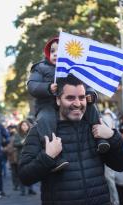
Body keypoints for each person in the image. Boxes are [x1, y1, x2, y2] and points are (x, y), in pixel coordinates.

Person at [19, 74, 123, 205]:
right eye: (70, 98)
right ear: (58, 100)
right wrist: (47, 157)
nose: (77, 103)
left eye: (81, 97)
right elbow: (24, 177)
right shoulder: (41, 130)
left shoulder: (95, 126)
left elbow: (120, 165)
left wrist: (112, 136)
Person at [27, 36, 110, 172]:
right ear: (47, 53)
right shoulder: (40, 68)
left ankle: (100, 138)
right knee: (45, 119)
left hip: (70, 104)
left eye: (59, 51)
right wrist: (48, 88)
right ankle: (56, 156)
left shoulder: (74, 67)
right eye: (52, 51)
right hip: (47, 104)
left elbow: (85, 84)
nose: (55, 54)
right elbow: (32, 86)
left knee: (91, 107)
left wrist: (91, 95)